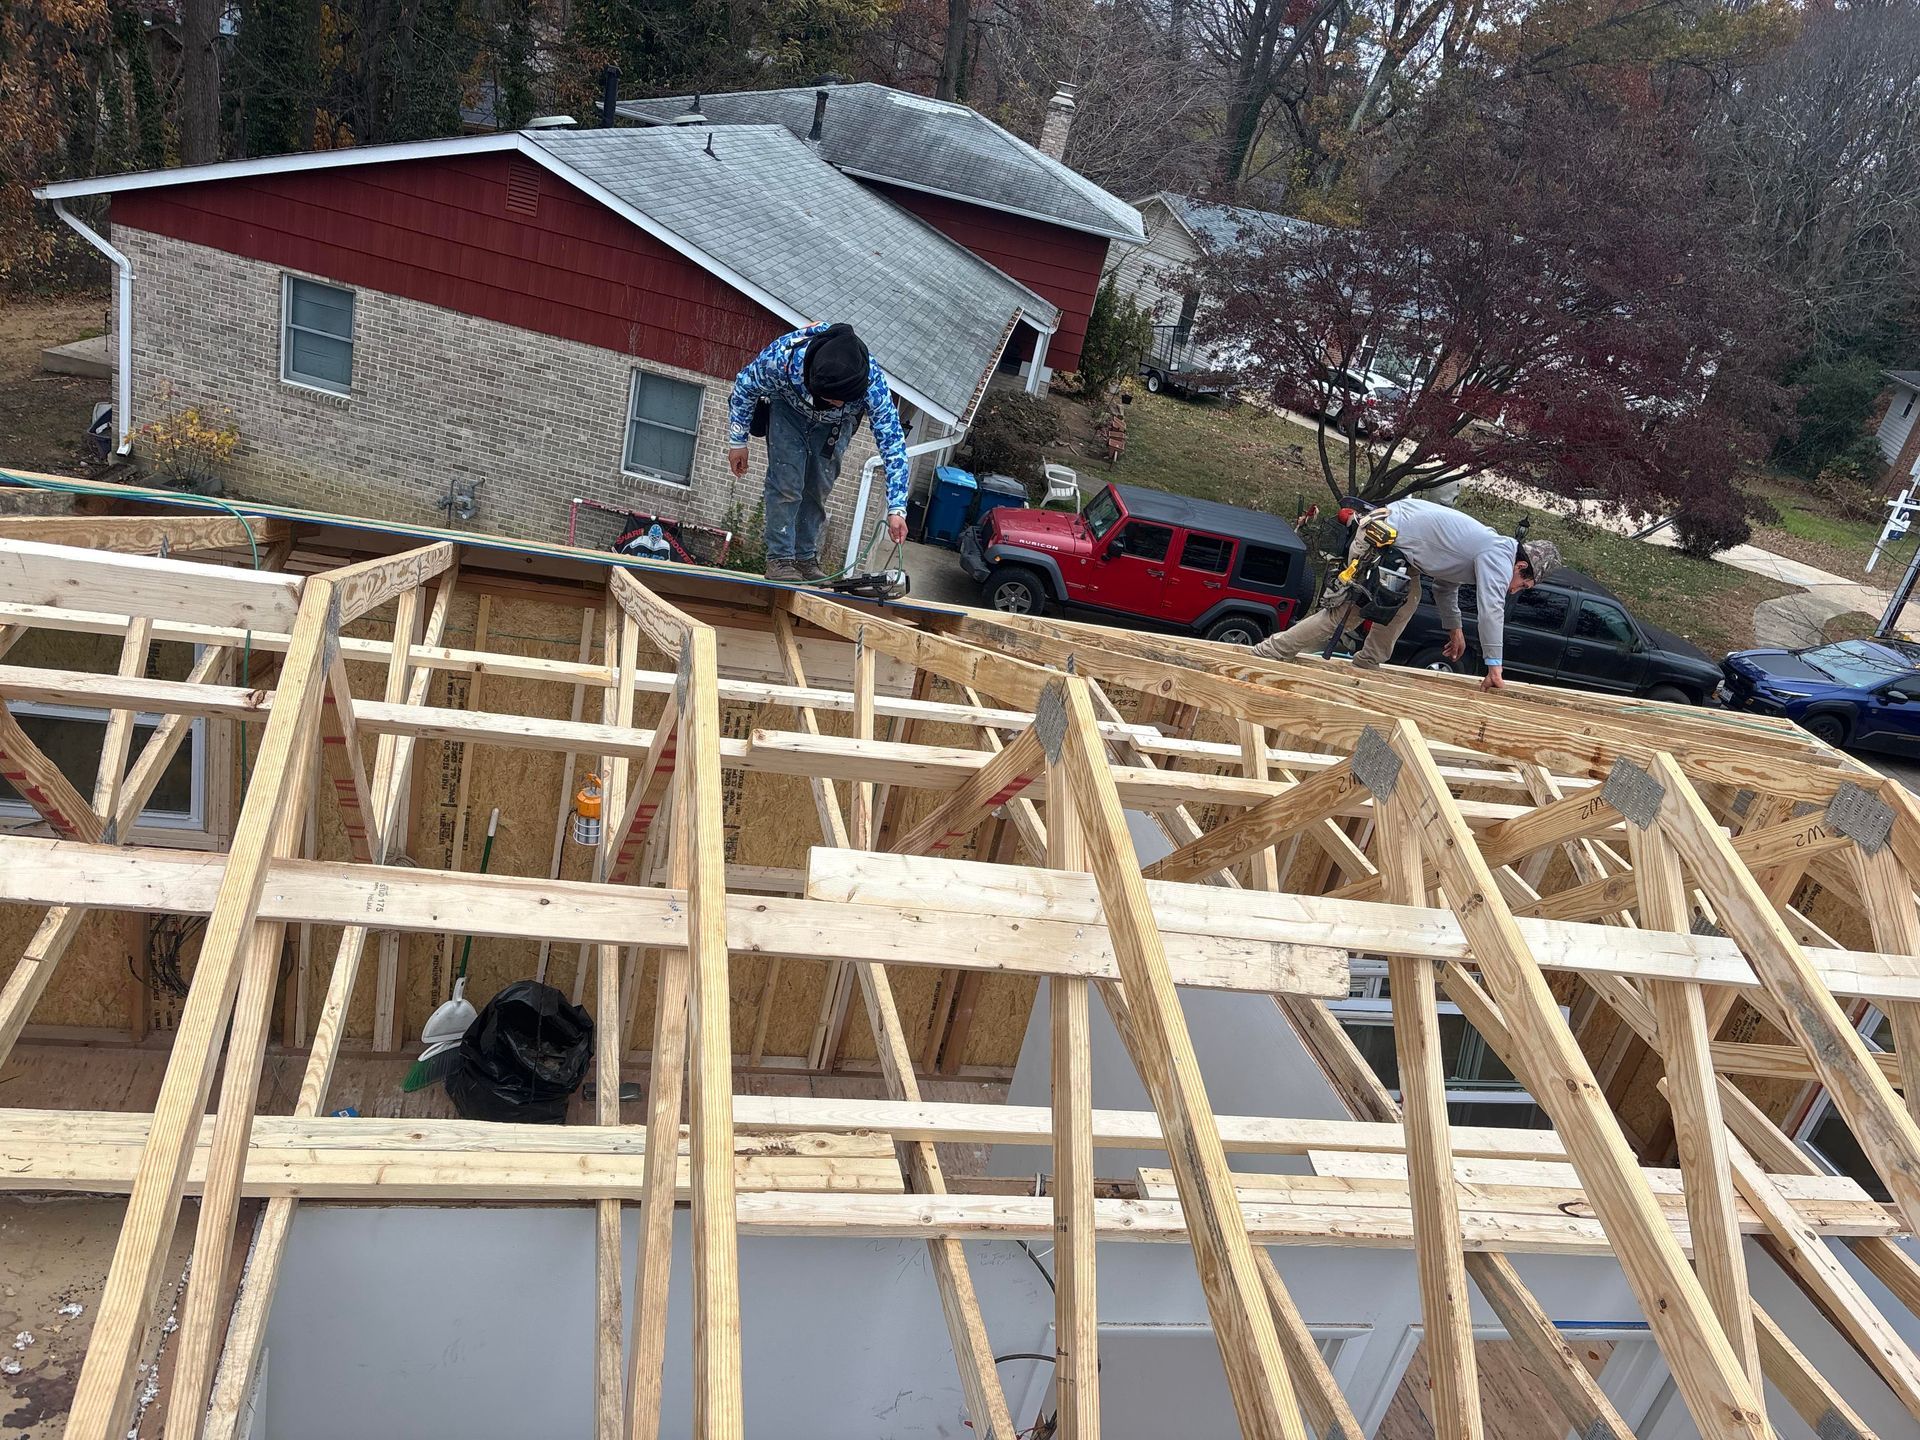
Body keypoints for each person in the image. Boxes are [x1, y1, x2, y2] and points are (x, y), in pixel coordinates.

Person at [1251, 496, 1561, 691]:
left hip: (1397, 544)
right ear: (1521, 565)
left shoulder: (1488, 550)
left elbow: (1443, 584)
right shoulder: (1498, 555)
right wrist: (1495, 667)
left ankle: (1368, 663)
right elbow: (1491, 610)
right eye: (1522, 584)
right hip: (1382, 537)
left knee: (1406, 600)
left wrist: (1453, 628)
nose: (1514, 590)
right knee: (1350, 613)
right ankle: (1268, 653)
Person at [727, 322, 911, 582]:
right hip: (788, 412)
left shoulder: (872, 384)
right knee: (786, 484)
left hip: (836, 426)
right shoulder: (782, 359)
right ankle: (780, 560)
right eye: (830, 399)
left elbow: (892, 442)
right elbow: (745, 386)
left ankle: (804, 559)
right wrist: (738, 441)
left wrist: (897, 509)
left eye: (840, 400)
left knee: (817, 488)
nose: (833, 403)